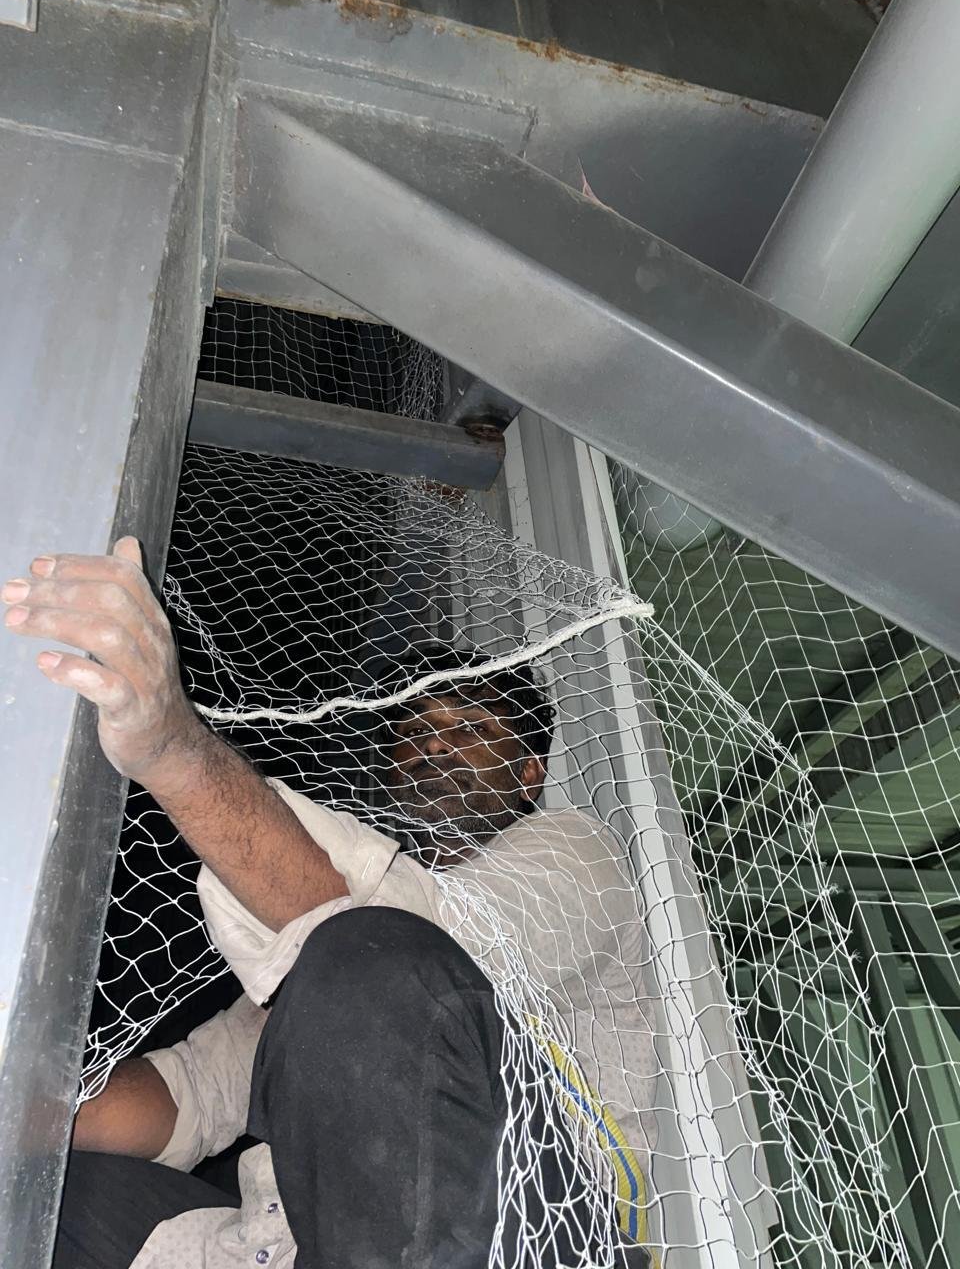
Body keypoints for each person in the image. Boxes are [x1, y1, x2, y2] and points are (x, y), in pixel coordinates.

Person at [2, 540, 658, 1269]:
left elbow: (407, 959)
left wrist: (168, 747)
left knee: (363, 956)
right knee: (43, 1196)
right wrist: (27, 1117)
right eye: (417, 731)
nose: (435, 746)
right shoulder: (341, 948)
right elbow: (202, 1085)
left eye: (470, 730)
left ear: (530, 771)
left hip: (527, 1232)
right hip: (287, 1240)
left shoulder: (578, 853)